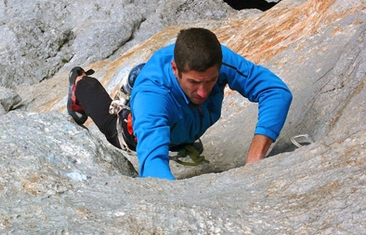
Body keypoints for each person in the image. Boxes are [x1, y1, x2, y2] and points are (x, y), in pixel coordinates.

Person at [67, 28, 292, 180]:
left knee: (175, 109)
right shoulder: (152, 98)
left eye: (211, 81)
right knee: (110, 123)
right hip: (131, 130)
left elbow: (275, 91)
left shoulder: (220, 60)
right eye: (194, 82)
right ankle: (81, 83)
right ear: (175, 69)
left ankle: (141, 77)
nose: (204, 92)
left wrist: (256, 157)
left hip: (174, 114)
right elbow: (153, 165)